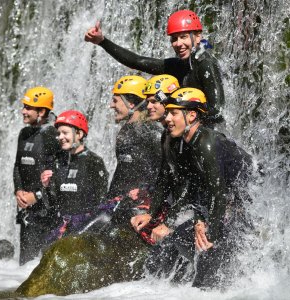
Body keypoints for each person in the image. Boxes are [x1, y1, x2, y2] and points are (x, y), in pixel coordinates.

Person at [131, 88, 253, 288]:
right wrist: (187, 220)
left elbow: (218, 193)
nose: (168, 118)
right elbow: (193, 189)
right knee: (181, 236)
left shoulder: (207, 144)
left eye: (174, 113)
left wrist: (209, 232)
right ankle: (208, 282)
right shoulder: (185, 143)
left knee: (206, 244)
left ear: (192, 115)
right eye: (167, 112)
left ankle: (221, 284)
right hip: (227, 199)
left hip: (248, 198)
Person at [84, 9, 225, 125]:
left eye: (183, 37)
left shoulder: (205, 64)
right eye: (174, 39)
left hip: (207, 135)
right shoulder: (179, 65)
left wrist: (183, 119)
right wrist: (102, 41)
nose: (178, 43)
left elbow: (218, 111)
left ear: (198, 37)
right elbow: (137, 61)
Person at [40, 110, 109, 244]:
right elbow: (51, 204)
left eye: (65, 133)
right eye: (58, 133)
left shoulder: (94, 161)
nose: (60, 137)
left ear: (79, 134)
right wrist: (46, 186)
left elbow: (102, 202)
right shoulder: (58, 161)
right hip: (61, 227)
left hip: (84, 230)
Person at [105, 75, 163, 224]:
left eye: (115, 100)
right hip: (118, 204)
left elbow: (164, 172)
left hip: (138, 209)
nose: (111, 105)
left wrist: (147, 197)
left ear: (130, 103)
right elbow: (122, 171)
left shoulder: (151, 131)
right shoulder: (126, 129)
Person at [13, 86, 60, 265]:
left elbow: (59, 172)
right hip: (27, 208)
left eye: (28, 108)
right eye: (23, 107)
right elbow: (17, 165)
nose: (23, 111)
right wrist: (18, 190)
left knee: (43, 265)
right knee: (25, 264)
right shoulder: (24, 133)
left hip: (48, 210)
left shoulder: (53, 133)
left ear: (41, 111)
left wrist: (37, 195)